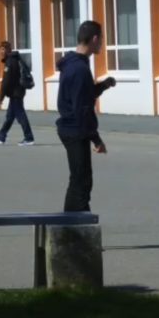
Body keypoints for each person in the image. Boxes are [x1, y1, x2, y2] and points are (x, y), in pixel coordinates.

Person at [56, 21, 117, 212]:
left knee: (79, 179)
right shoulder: (79, 69)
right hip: (75, 129)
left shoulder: (73, 64)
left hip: (71, 127)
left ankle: (74, 221)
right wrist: (96, 139)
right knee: (81, 182)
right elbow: (82, 108)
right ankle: (74, 223)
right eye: (102, 39)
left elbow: (84, 95)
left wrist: (103, 85)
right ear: (95, 39)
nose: (102, 44)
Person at [0, 41, 34, 145]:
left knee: (21, 116)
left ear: (7, 50)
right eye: (0, 49)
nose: (1, 52)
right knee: (10, 117)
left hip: (16, 94)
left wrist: (0, 98)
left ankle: (29, 138)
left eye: (3, 49)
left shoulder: (10, 62)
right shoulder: (15, 59)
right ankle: (1, 137)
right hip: (17, 92)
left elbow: (6, 82)